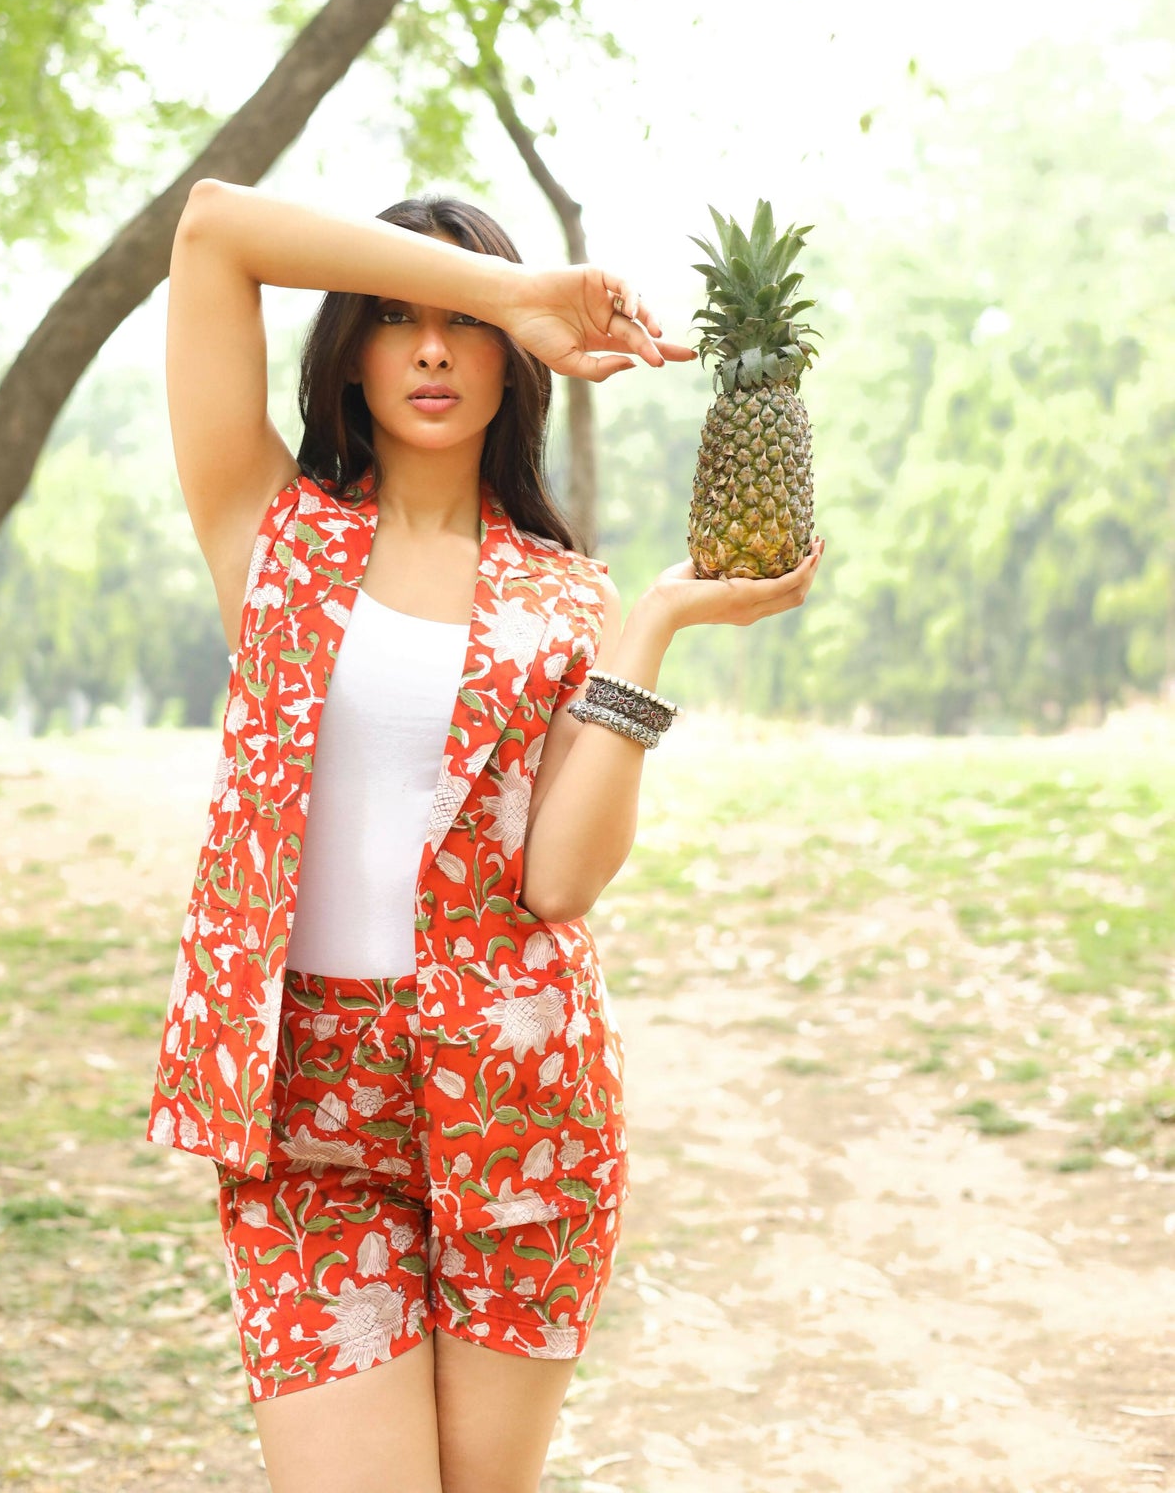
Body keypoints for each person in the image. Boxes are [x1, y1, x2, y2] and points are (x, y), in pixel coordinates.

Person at [146, 178, 823, 1493]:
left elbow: (558, 879)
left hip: (521, 1106)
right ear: (349, 356)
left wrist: (649, 628)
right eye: (399, 319)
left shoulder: (567, 595)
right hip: (309, 1112)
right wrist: (509, 289)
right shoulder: (271, 533)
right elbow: (213, 230)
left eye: (460, 324)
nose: (436, 349)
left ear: (517, 375)